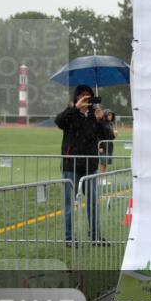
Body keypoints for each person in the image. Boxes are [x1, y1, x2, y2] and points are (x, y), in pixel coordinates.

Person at [55, 85, 113, 245]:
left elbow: (108, 137)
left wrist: (101, 120)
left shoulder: (95, 115)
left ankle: (95, 236)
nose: (85, 98)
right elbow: (58, 122)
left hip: (90, 165)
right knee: (69, 203)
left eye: (88, 96)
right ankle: (69, 238)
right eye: (82, 95)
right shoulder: (71, 113)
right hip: (71, 165)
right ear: (76, 97)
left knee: (93, 202)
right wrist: (75, 108)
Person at [98, 111, 119, 175]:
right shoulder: (101, 123)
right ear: (105, 115)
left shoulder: (111, 124)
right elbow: (99, 136)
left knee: (106, 163)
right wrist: (100, 146)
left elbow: (111, 137)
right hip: (103, 145)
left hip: (109, 145)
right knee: (102, 162)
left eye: (111, 115)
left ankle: (103, 178)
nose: (110, 116)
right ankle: (100, 177)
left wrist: (114, 134)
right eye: (109, 115)